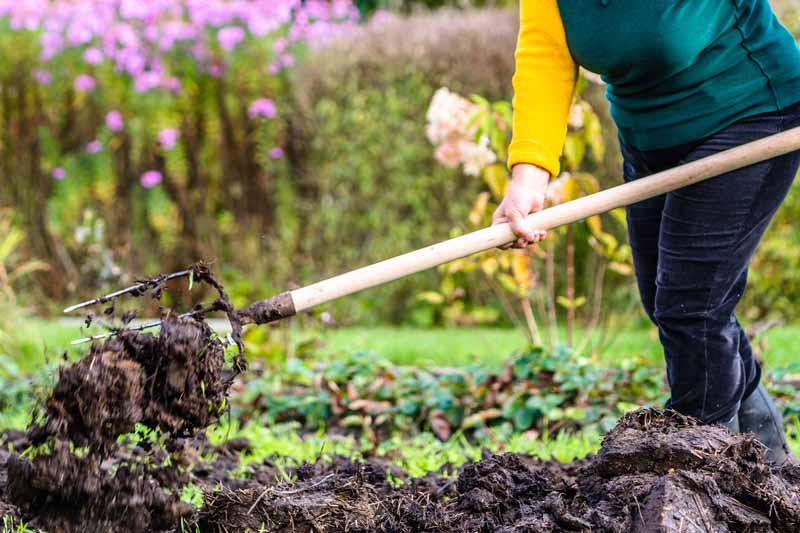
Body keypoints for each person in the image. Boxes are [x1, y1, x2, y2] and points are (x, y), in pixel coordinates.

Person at [493, 0, 800, 465]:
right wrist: (528, 177)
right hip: (650, 138)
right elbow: (545, 56)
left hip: (750, 114)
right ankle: (768, 463)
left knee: (691, 307)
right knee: (673, 305)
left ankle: (704, 472)